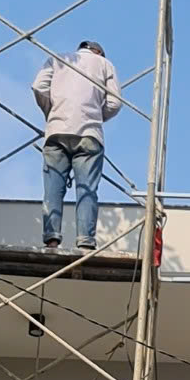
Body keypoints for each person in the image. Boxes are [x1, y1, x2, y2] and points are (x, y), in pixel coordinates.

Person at [32, 38, 123, 248]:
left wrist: (52, 112)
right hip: (89, 133)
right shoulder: (104, 64)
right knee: (86, 189)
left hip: (57, 131)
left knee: (53, 188)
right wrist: (96, 115)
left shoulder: (58, 59)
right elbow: (115, 102)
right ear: (99, 52)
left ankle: (51, 238)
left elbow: (38, 87)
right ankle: (85, 242)